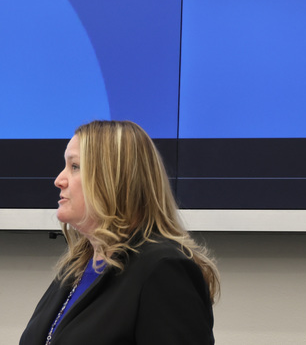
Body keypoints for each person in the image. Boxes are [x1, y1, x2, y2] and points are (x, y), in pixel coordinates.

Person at [20, 120, 218, 345]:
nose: (58, 180)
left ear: (113, 179)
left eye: (74, 167)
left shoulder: (163, 268)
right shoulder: (77, 265)